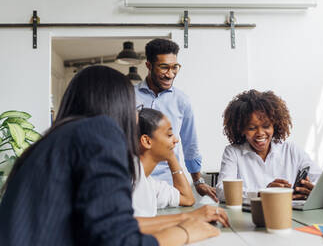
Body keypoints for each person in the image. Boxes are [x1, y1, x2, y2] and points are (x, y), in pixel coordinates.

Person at [0, 66, 221, 246]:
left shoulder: (56, 140)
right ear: (118, 106)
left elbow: (99, 228)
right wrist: (185, 232)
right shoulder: (99, 131)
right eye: (134, 107)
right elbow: (118, 240)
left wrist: (185, 218)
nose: (136, 116)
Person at [135, 38, 217, 201]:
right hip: (136, 180)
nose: (170, 74)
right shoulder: (128, 96)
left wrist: (198, 181)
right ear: (149, 66)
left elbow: (189, 144)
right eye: (164, 67)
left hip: (170, 184)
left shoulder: (182, 101)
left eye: (175, 67)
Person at [216, 89, 322, 201]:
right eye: (251, 128)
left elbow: (320, 179)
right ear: (241, 129)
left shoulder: (291, 150)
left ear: (274, 126)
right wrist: (262, 193)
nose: (260, 133)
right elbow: (222, 191)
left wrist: (312, 189)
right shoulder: (233, 152)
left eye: (266, 126)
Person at [132, 108, 195, 217]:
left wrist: (171, 157)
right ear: (147, 141)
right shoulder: (131, 181)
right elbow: (135, 226)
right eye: (169, 135)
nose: (176, 140)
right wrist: (185, 219)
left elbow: (187, 198)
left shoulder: (149, 183)